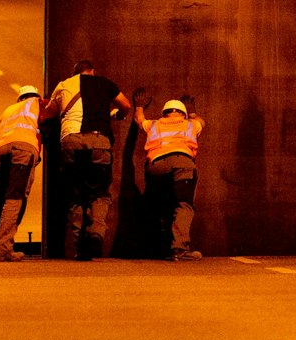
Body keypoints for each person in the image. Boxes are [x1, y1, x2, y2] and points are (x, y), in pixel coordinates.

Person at [45, 59, 132, 260]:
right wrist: (117, 115)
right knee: (100, 193)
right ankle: (95, 234)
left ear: (74, 72)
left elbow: (49, 113)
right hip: (99, 140)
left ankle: (77, 247)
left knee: (76, 196)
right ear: (92, 71)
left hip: (71, 141)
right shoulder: (104, 83)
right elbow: (125, 105)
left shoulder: (63, 85)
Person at [131, 97, 205, 261]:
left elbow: (139, 120)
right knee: (183, 205)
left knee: (157, 205)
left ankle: (152, 248)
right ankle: (179, 249)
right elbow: (201, 122)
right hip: (182, 163)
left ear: (164, 113)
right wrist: (192, 112)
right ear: (183, 114)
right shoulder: (190, 124)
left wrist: (140, 106)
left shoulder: (155, 124)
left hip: (156, 166)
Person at [0, 84, 41, 261]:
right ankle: (2, 248)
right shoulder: (37, 103)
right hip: (23, 150)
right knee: (15, 199)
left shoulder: (10, 110)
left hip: (1, 151)